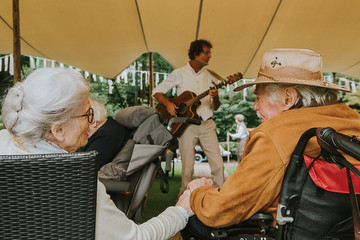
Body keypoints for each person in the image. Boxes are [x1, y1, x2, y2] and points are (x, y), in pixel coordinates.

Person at [0, 68, 195, 240]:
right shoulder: (77, 179)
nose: (91, 123)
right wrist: (182, 210)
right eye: (87, 115)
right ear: (58, 130)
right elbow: (136, 237)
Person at [183, 48, 360, 233]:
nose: (254, 106)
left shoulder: (275, 134)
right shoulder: (352, 120)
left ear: (288, 98)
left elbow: (219, 210)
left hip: (282, 232)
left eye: (259, 97)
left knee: (187, 220)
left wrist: (197, 192)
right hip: (344, 233)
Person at [153, 39, 224, 193]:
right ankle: (184, 201)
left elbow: (215, 106)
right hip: (186, 126)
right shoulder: (179, 73)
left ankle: (220, 197)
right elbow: (156, 92)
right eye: (206, 52)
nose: (210, 56)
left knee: (218, 166)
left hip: (207, 124)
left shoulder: (211, 76)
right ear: (195, 54)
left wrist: (216, 96)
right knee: (187, 170)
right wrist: (168, 104)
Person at [78, 98, 132, 170]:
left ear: (93, 120)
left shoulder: (108, 135)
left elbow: (85, 168)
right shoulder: (107, 127)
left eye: (80, 119)